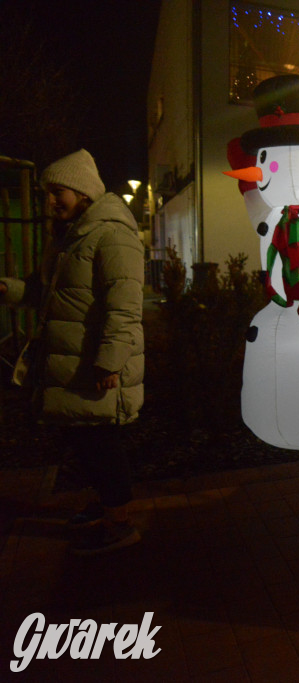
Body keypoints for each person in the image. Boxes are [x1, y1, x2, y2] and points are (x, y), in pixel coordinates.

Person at [0, 149, 145, 555]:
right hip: (71, 361)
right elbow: (48, 293)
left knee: (100, 444)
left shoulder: (113, 235)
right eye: (47, 193)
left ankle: (120, 523)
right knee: (85, 442)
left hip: (93, 363)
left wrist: (110, 362)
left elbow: (125, 305)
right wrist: (8, 290)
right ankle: (108, 504)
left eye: (56, 192)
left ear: (82, 192)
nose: (49, 201)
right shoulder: (68, 237)